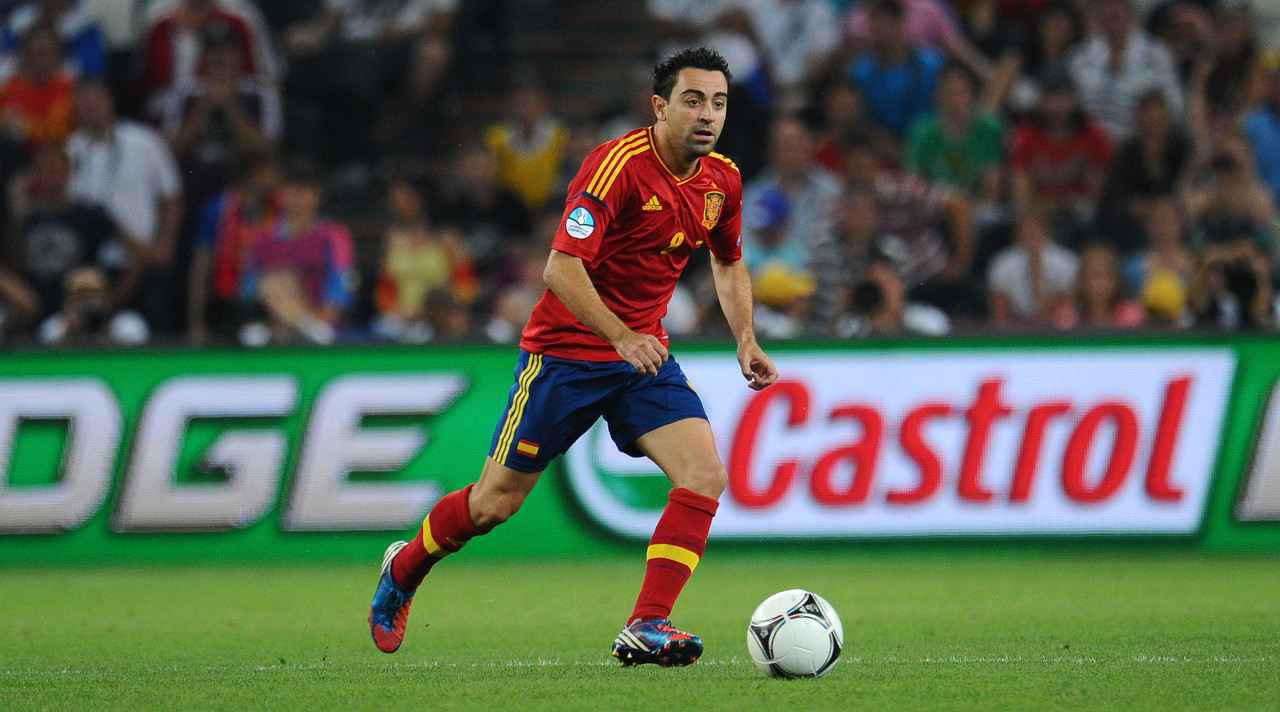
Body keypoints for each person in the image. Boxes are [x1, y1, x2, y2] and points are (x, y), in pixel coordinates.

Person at [367, 47, 778, 667]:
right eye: (693, 100)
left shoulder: (723, 179)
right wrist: (619, 335)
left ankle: (648, 623)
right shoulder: (616, 167)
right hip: (565, 357)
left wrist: (745, 336)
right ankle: (404, 567)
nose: (707, 115)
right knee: (494, 504)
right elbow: (560, 268)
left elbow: (727, 262)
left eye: (718, 103)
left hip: (642, 361)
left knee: (704, 475)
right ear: (660, 107)